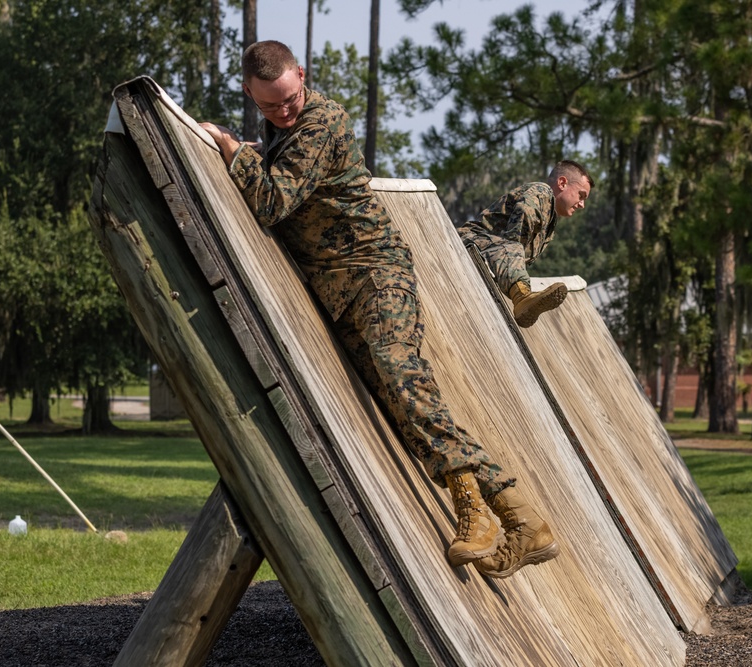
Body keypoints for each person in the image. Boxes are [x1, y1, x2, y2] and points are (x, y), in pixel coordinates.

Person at [199, 40, 557, 578]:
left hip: (376, 275)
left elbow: (273, 200)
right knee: (403, 407)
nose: (284, 111)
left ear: (303, 75)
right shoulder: (280, 131)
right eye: (270, 105)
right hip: (343, 291)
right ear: (249, 93)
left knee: (406, 386)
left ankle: (502, 516)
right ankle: (500, 516)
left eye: (290, 98)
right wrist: (256, 144)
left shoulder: (321, 120)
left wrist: (232, 150)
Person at [457, 162, 593, 327]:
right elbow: (518, 232)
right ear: (562, 183)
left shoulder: (550, 219)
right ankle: (522, 298)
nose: (581, 205)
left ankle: (522, 295)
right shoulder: (542, 192)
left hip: (488, 253)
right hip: (467, 241)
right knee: (513, 248)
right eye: (581, 195)